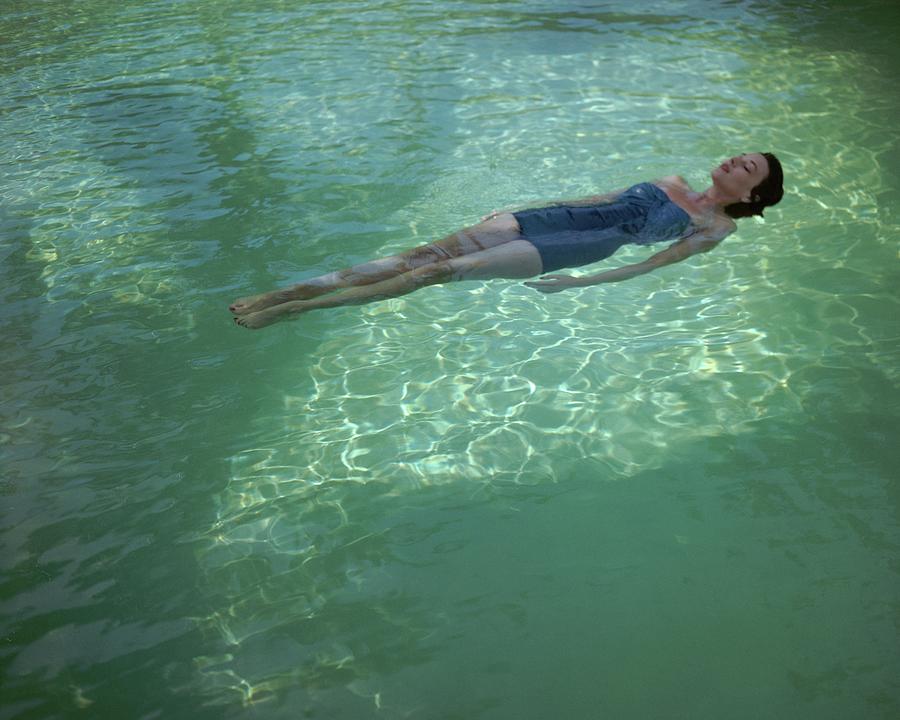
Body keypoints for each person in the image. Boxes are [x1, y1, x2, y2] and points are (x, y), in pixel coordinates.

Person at [231, 152, 784, 329]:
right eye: (739, 154)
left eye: (747, 166)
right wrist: (518, 209)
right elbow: (596, 199)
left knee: (430, 274)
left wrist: (582, 283)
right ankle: (284, 292)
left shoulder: (716, 228)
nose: (734, 159)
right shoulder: (671, 182)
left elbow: (654, 263)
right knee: (419, 255)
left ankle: (297, 310)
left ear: (753, 192)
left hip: (577, 249)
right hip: (547, 220)